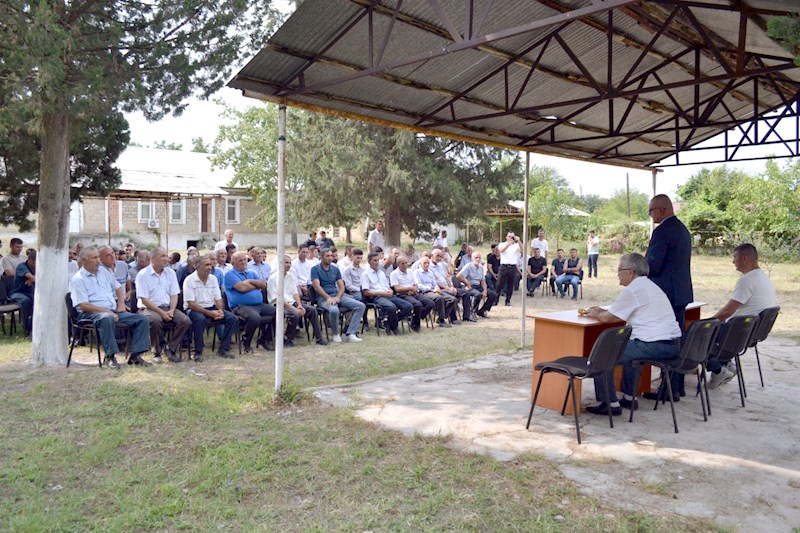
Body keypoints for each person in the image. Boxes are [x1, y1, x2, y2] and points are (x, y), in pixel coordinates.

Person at [584, 253, 682, 416]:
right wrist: (601, 311)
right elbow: (616, 313)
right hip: (672, 345)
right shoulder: (651, 286)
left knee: (603, 355)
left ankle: (610, 403)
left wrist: (595, 313)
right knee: (629, 348)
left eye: (619, 269)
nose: (617, 274)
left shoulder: (633, 290)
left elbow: (609, 318)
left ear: (630, 272)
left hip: (653, 345)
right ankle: (629, 398)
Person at [707, 243, 777, 389]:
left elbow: (727, 312)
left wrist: (707, 322)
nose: (733, 261)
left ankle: (718, 370)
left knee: (693, 338)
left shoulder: (747, 280)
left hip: (735, 334)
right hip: (749, 333)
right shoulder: (763, 277)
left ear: (744, 259)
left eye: (735, 257)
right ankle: (726, 363)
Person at [645, 194, 693, 401]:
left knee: (668, 340)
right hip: (680, 292)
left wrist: (639, 267)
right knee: (678, 337)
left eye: (651, 210)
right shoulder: (682, 229)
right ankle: (677, 386)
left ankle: (669, 390)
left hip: (665, 294)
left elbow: (654, 265)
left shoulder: (662, 231)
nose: (650, 215)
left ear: (662, 210)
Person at [70, 247, 152, 368]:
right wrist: (107, 311)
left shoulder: (103, 272)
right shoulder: (78, 279)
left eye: (98, 257)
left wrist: (120, 304)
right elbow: (83, 305)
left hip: (112, 311)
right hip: (90, 313)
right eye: (94, 258)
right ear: (84, 260)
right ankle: (110, 356)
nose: (98, 260)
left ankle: (135, 356)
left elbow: (118, 288)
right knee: (106, 318)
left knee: (142, 319)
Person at [135, 247, 192, 363]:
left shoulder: (170, 273)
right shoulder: (143, 274)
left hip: (167, 307)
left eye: (166, 256)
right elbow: (144, 299)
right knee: (155, 320)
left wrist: (171, 310)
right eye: (163, 256)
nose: (167, 259)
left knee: (185, 320)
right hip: (148, 308)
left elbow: (174, 294)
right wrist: (161, 313)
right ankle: (156, 351)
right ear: (153, 259)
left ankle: (170, 348)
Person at [182, 254, 239, 360]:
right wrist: (210, 314)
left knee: (232, 318)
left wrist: (220, 311)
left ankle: (223, 349)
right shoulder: (189, 280)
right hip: (195, 309)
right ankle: (198, 352)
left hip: (211, 307)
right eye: (206, 265)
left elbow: (218, 298)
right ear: (198, 267)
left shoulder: (213, 279)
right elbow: (191, 304)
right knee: (199, 319)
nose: (210, 267)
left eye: (210, 265)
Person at [269, 255, 328, 346]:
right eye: (286, 263)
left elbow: (295, 292)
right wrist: (294, 308)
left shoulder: (291, 275)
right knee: (295, 314)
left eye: (289, 263)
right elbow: (278, 299)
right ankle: (288, 338)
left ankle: (319, 338)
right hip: (278, 304)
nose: (288, 265)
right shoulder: (273, 279)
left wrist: (299, 305)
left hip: (291, 302)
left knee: (312, 310)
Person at [225, 252, 276, 352]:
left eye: (244, 260)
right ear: (233, 263)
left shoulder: (251, 272)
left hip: (259, 305)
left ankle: (264, 338)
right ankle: (246, 342)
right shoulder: (229, 275)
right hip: (240, 307)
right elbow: (242, 288)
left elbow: (264, 285)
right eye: (240, 260)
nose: (243, 262)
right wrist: (256, 285)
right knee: (255, 318)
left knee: (279, 313)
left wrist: (249, 281)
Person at [311, 249, 365, 343]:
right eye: (327, 256)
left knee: (360, 306)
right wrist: (328, 298)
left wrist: (337, 297)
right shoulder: (315, 269)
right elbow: (317, 287)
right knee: (334, 310)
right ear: (321, 257)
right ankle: (336, 334)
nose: (330, 258)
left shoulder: (335, 269)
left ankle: (351, 333)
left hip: (336, 295)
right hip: (323, 298)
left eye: (331, 256)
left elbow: (341, 286)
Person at [361, 252, 413, 335]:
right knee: (392, 307)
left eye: (378, 260)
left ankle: (389, 322)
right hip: (376, 297)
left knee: (408, 306)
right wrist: (382, 293)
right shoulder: (365, 274)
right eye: (374, 260)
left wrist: (390, 290)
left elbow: (387, 286)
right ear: (369, 261)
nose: (377, 262)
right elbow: (366, 292)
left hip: (388, 294)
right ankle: (394, 327)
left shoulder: (381, 273)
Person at [390, 256, 434, 332]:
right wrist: (409, 289)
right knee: (418, 304)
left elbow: (416, 284)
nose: (405, 265)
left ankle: (415, 318)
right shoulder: (394, 274)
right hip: (402, 295)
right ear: (398, 264)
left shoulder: (410, 271)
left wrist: (413, 289)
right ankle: (416, 325)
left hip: (413, 292)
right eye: (402, 263)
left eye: (406, 263)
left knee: (430, 303)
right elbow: (397, 289)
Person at [414, 256, 455, 328]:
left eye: (428, 263)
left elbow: (434, 283)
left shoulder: (430, 272)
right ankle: (442, 320)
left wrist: (437, 289)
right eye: (424, 263)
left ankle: (441, 317)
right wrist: (432, 290)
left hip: (434, 291)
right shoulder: (416, 273)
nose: (427, 265)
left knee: (452, 299)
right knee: (439, 298)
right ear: (420, 264)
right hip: (424, 292)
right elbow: (419, 286)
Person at [456, 251, 495, 320]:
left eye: (479, 258)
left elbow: (483, 281)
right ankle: (473, 312)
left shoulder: (480, 267)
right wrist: (467, 283)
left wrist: (485, 290)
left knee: (493, 294)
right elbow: (459, 276)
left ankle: (482, 311)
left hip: (477, 286)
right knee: (478, 294)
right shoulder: (468, 266)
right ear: (472, 258)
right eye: (476, 257)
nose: (478, 259)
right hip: (468, 286)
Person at [10, 248, 36, 334]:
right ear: (30, 260)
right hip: (17, 293)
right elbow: (33, 278)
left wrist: (32, 279)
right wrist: (32, 278)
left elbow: (37, 278)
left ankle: (34, 324)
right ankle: (25, 326)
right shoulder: (22, 266)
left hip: (30, 292)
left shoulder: (38, 268)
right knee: (25, 301)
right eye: (36, 262)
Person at [496, 232, 522, 306]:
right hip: (504, 266)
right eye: (509, 236)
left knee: (510, 285)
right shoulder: (502, 244)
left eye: (512, 237)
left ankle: (508, 300)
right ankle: (496, 299)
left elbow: (522, 250)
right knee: (499, 284)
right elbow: (501, 250)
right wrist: (508, 244)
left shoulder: (516, 245)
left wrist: (519, 241)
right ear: (506, 237)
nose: (511, 238)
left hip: (512, 266)